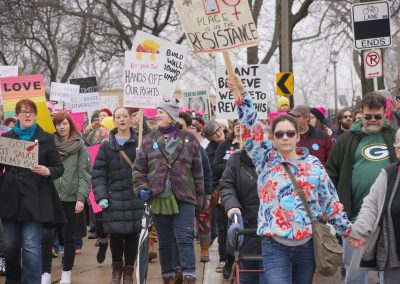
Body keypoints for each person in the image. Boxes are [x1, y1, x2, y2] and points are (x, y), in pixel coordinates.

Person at [227, 76, 352, 284]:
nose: (285, 137)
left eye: (289, 133)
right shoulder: (265, 160)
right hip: (274, 247)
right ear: (273, 138)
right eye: (279, 133)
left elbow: (331, 203)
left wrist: (349, 231)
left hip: (306, 247)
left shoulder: (313, 165)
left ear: (297, 136)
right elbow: (252, 127)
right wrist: (241, 94)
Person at [326, 92, 397, 284]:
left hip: (390, 216)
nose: (373, 120)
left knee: (391, 270)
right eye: (368, 117)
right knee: (354, 271)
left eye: (378, 117)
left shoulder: (394, 138)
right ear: (361, 113)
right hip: (355, 216)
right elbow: (330, 175)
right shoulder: (346, 140)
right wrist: (336, 207)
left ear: (385, 115)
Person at [132, 98, 204, 284]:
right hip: (159, 198)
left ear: (172, 116)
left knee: (184, 239)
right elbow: (138, 170)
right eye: (157, 112)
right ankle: (168, 276)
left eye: (161, 112)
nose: (157, 115)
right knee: (164, 242)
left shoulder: (189, 140)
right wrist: (141, 189)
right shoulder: (148, 140)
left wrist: (200, 199)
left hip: (184, 198)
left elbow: (198, 173)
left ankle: (189, 274)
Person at [0, 99, 66, 283]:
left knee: (30, 246)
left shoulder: (46, 138)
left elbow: (58, 167)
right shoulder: (6, 139)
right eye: (23, 111)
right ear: (17, 115)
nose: (27, 114)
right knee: (11, 246)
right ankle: (13, 280)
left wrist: (48, 171)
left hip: (35, 200)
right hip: (10, 200)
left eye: (31, 111)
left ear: (36, 115)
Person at [92, 107, 144, 284]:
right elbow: (98, 173)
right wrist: (101, 196)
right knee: (115, 234)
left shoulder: (140, 141)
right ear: (114, 120)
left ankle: (129, 271)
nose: (122, 119)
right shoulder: (106, 145)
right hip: (114, 197)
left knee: (132, 234)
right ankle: (116, 270)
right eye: (118, 117)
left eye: (125, 116)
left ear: (131, 119)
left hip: (136, 196)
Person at [41, 112, 92, 284]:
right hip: (51, 197)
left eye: (64, 123)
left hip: (71, 198)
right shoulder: (48, 144)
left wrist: (81, 198)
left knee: (69, 237)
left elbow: (85, 175)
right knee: (46, 236)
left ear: (70, 124)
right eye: (58, 124)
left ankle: (66, 273)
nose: (61, 127)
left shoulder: (80, 147)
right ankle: (45, 273)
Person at [347, 128, 400, 284]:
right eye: (399, 146)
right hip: (395, 258)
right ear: (397, 149)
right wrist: (360, 230)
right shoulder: (389, 174)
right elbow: (371, 205)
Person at [220, 149, 266, 284]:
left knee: (268, 274)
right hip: (245, 226)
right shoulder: (236, 160)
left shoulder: (276, 159)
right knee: (247, 273)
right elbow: (226, 185)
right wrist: (232, 206)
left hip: (271, 229)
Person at [212, 119, 241, 279]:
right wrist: (233, 163)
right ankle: (225, 259)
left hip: (245, 192)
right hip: (225, 191)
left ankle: (241, 260)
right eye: (236, 124)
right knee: (223, 227)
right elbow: (216, 167)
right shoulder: (225, 145)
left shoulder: (252, 145)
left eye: (242, 124)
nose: (238, 127)